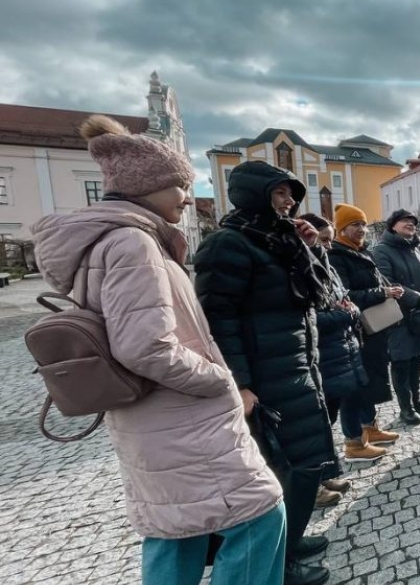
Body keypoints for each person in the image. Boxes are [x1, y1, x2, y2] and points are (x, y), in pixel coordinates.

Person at [32, 116, 285, 585]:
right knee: (259, 517)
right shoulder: (133, 243)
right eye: (179, 186)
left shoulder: (106, 242)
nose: (186, 197)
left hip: (152, 421)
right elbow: (145, 347)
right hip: (182, 420)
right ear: (148, 185)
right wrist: (218, 379)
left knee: (177, 530)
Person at [195, 160, 340, 585]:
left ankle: (289, 540)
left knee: (307, 464)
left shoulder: (284, 241)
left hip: (298, 368)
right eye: (280, 193)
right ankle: (278, 563)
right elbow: (217, 320)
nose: (290, 201)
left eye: (291, 194)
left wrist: (313, 248)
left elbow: (324, 294)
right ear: (255, 194)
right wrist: (239, 383)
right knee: (282, 470)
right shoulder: (229, 244)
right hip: (263, 377)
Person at [296, 213, 377, 510]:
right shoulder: (300, 271)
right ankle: (310, 485)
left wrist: (349, 309)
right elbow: (311, 315)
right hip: (320, 353)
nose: (328, 247)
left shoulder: (325, 266)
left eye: (329, 241)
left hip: (337, 350)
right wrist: (346, 313)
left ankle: (323, 474)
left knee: (325, 419)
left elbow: (344, 299)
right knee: (314, 424)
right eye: (324, 240)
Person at [320, 205, 403, 457]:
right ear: (341, 228)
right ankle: (353, 442)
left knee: (368, 381)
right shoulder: (337, 255)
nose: (361, 230)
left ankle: (369, 427)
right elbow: (345, 296)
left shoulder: (361, 252)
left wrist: (388, 289)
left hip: (371, 331)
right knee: (352, 387)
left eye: (363, 224)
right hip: (355, 331)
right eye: (354, 224)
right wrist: (382, 293)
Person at [372, 209, 420, 425]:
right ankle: (406, 408)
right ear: (393, 225)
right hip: (398, 317)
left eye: (413, 221)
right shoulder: (382, 250)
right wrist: (416, 298)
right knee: (401, 361)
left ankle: (417, 400)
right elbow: (385, 281)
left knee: (417, 360)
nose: (410, 224)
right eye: (405, 220)